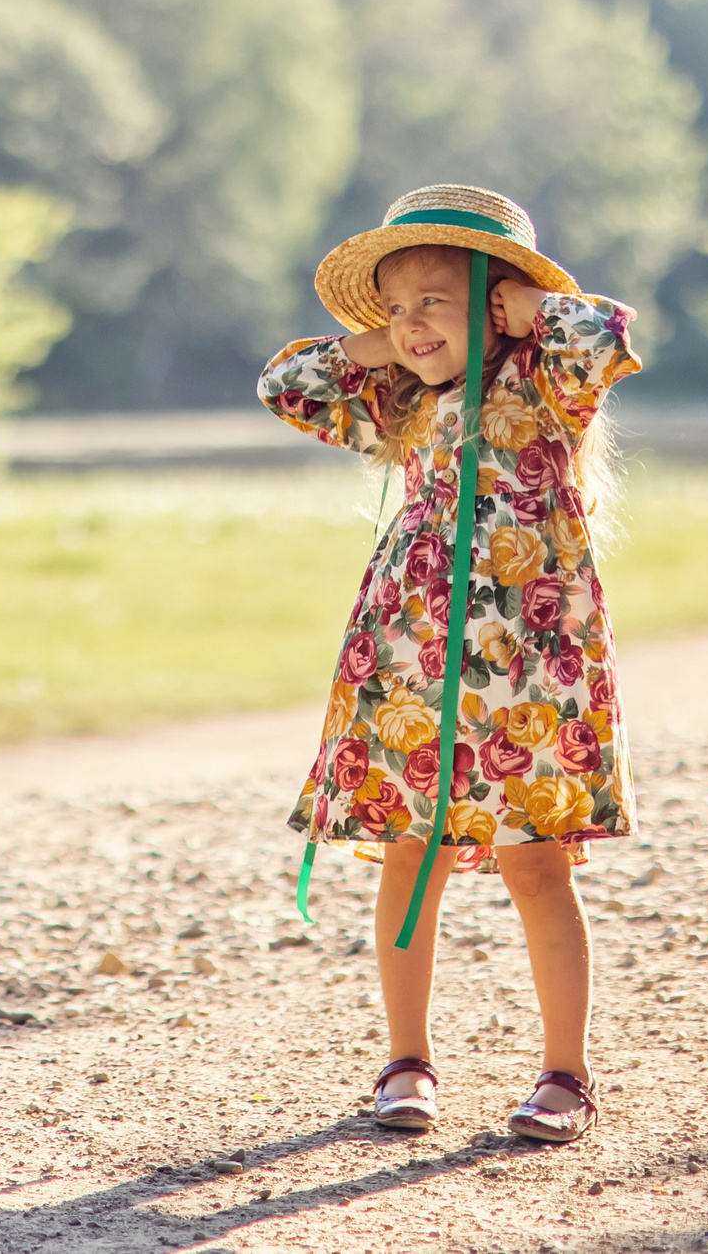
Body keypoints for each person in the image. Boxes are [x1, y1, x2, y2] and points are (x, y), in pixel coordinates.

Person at [259, 184, 643, 1146]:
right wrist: (378, 346)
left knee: (536, 861)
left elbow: (607, 333)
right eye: (395, 306)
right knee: (407, 848)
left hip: (529, 667)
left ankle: (566, 1069)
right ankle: (406, 1059)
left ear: (498, 302)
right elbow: (287, 383)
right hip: (411, 655)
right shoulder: (400, 399)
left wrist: (532, 311)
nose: (410, 323)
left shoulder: (551, 382)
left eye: (434, 298)